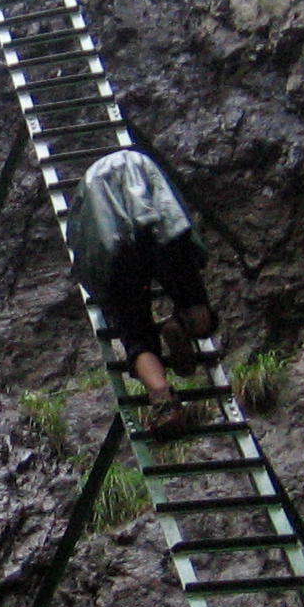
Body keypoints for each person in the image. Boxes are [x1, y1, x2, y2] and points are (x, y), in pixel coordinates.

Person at [67, 147, 216, 439]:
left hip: (120, 254)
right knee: (192, 298)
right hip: (165, 233)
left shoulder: (90, 187)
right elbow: (176, 211)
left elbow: (86, 247)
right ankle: (185, 323)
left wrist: (105, 291)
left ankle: (163, 402)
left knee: (136, 335)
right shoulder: (143, 164)